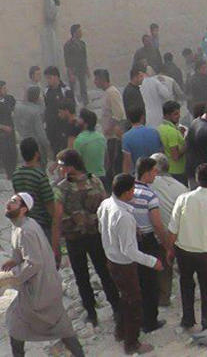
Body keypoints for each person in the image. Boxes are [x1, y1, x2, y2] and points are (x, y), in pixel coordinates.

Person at [2, 193, 85, 357]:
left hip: (40, 289)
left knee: (21, 325)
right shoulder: (19, 226)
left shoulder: (26, 230)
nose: (8, 204)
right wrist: (14, 260)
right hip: (38, 288)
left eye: (13, 202)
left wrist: (14, 278)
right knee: (18, 326)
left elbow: (35, 262)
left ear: (23, 209)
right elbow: (23, 252)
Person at [98, 173, 163, 354]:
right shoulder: (124, 216)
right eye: (132, 190)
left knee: (124, 299)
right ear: (127, 192)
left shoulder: (106, 204)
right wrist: (153, 262)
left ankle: (120, 331)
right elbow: (130, 251)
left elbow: (101, 228)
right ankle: (132, 343)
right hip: (124, 264)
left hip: (111, 258)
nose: (134, 192)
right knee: (134, 302)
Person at [55, 149, 121, 327]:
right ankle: (116, 308)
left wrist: (56, 244)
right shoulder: (95, 181)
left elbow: (58, 216)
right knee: (104, 272)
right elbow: (106, 206)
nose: (59, 170)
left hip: (75, 238)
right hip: (94, 236)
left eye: (61, 166)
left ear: (70, 167)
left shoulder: (62, 188)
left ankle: (92, 313)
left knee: (82, 276)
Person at [168, 162, 207, 331]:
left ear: (196, 178)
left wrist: (170, 250)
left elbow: (173, 228)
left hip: (184, 251)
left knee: (186, 285)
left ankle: (188, 320)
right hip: (206, 253)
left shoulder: (183, 199)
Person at [131, 157, 172, 334]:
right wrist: (167, 244)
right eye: (154, 171)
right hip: (148, 241)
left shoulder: (128, 190)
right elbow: (157, 224)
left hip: (131, 240)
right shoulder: (149, 195)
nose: (156, 174)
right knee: (150, 282)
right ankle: (150, 321)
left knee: (138, 280)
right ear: (146, 172)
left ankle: (138, 318)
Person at [12, 138, 60, 252]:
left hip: (24, 223)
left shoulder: (16, 174)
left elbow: (17, 200)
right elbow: (50, 205)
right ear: (37, 153)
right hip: (42, 225)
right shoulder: (40, 176)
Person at [94, 69, 125, 178]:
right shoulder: (106, 93)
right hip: (109, 136)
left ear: (102, 79)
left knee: (113, 165)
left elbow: (119, 114)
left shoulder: (112, 92)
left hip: (114, 137)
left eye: (96, 79)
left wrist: (109, 127)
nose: (95, 82)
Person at [121, 106, 164, 174]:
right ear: (142, 117)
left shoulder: (126, 137)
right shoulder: (154, 132)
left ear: (129, 119)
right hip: (156, 172)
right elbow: (161, 153)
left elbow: (127, 161)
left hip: (139, 174)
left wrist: (125, 178)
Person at [13, 87, 49, 167]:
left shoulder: (18, 107)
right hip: (36, 144)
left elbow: (16, 124)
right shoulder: (35, 112)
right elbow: (40, 133)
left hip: (23, 141)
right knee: (40, 168)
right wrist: (47, 146)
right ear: (36, 97)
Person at [43, 66, 75, 155]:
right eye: (47, 78)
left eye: (50, 78)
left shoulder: (65, 90)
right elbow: (46, 107)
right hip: (51, 126)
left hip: (63, 125)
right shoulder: (46, 91)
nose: (48, 80)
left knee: (65, 150)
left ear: (56, 77)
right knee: (55, 150)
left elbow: (72, 108)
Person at [73, 109, 107, 186]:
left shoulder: (79, 141)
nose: (77, 120)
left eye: (80, 118)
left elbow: (77, 164)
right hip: (102, 176)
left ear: (85, 123)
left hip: (88, 179)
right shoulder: (101, 137)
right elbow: (106, 159)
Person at [157, 100, 187, 185]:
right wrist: (187, 143)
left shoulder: (161, 128)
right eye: (175, 114)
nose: (179, 116)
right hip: (177, 171)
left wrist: (180, 134)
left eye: (178, 113)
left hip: (167, 169)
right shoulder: (171, 132)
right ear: (167, 115)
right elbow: (176, 156)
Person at [63, 24, 89, 105]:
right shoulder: (68, 45)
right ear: (74, 33)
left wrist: (87, 69)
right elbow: (67, 60)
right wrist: (70, 73)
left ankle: (85, 102)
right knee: (72, 88)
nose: (81, 33)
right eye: (79, 31)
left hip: (81, 68)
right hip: (73, 69)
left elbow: (85, 57)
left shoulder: (82, 44)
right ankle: (72, 103)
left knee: (83, 87)